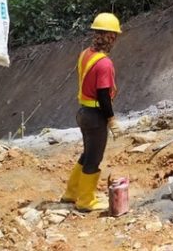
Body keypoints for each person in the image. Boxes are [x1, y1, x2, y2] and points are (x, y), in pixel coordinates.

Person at [61, 13, 124, 212]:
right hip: (96, 116)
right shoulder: (104, 63)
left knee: (87, 154)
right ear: (111, 37)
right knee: (94, 158)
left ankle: (71, 193)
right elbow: (104, 95)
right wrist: (111, 119)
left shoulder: (86, 54)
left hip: (83, 112)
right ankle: (85, 200)